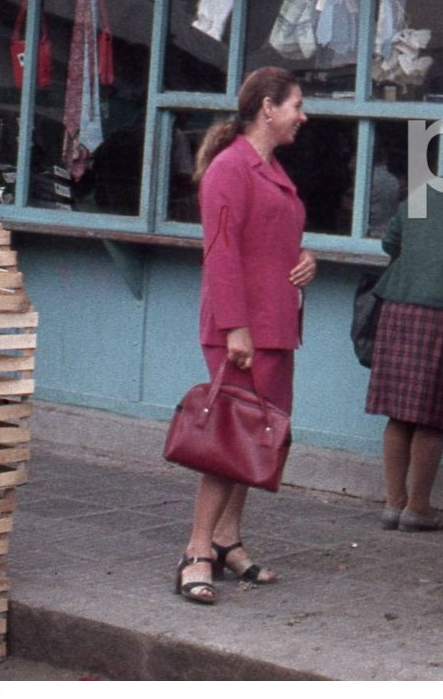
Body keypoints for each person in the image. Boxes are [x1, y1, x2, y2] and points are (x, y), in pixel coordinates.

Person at [175, 66, 317, 605]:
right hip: (243, 331)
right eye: (296, 105)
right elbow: (222, 253)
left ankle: (227, 539)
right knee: (228, 441)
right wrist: (235, 326)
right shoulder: (230, 169)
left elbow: (275, 237)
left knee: (257, 439)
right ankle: (195, 551)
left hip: (274, 327)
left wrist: (305, 258)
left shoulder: (269, 169)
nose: (303, 116)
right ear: (267, 107)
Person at [362, 132, 443, 533]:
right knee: (431, 416)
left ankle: (393, 503)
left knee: (399, 410)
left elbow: (390, 242)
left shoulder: (425, 191)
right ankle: (418, 507)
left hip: (399, 304)